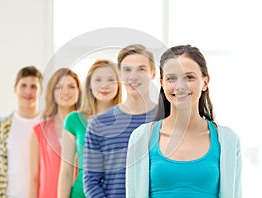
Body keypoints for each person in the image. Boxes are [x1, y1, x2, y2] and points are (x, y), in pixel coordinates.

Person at [126, 45, 242, 198]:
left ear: (205, 82)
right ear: (162, 83)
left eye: (189, 77)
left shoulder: (228, 140)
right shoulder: (140, 138)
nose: (180, 86)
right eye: (171, 78)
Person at [83, 44, 157, 197]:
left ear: (153, 73)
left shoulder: (167, 119)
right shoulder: (98, 124)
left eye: (141, 69)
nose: (133, 76)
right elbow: (91, 182)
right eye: (127, 69)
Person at [57, 59, 122, 198]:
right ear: (90, 85)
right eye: (98, 79)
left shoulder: (129, 121)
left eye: (111, 79)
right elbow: (66, 171)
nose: (105, 85)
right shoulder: (74, 120)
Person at [0, 66, 43, 198]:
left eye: (33, 87)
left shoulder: (48, 127)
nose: (28, 91)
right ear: (15, 88)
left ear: (41, 91)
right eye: (23, 85)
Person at [29, 68, 81, 198]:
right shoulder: (38, 131)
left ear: (79, 92)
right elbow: (34, 177)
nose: (65, 92)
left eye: (71, 87)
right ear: (52, 92)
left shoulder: (86, 128)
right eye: (59, 87)